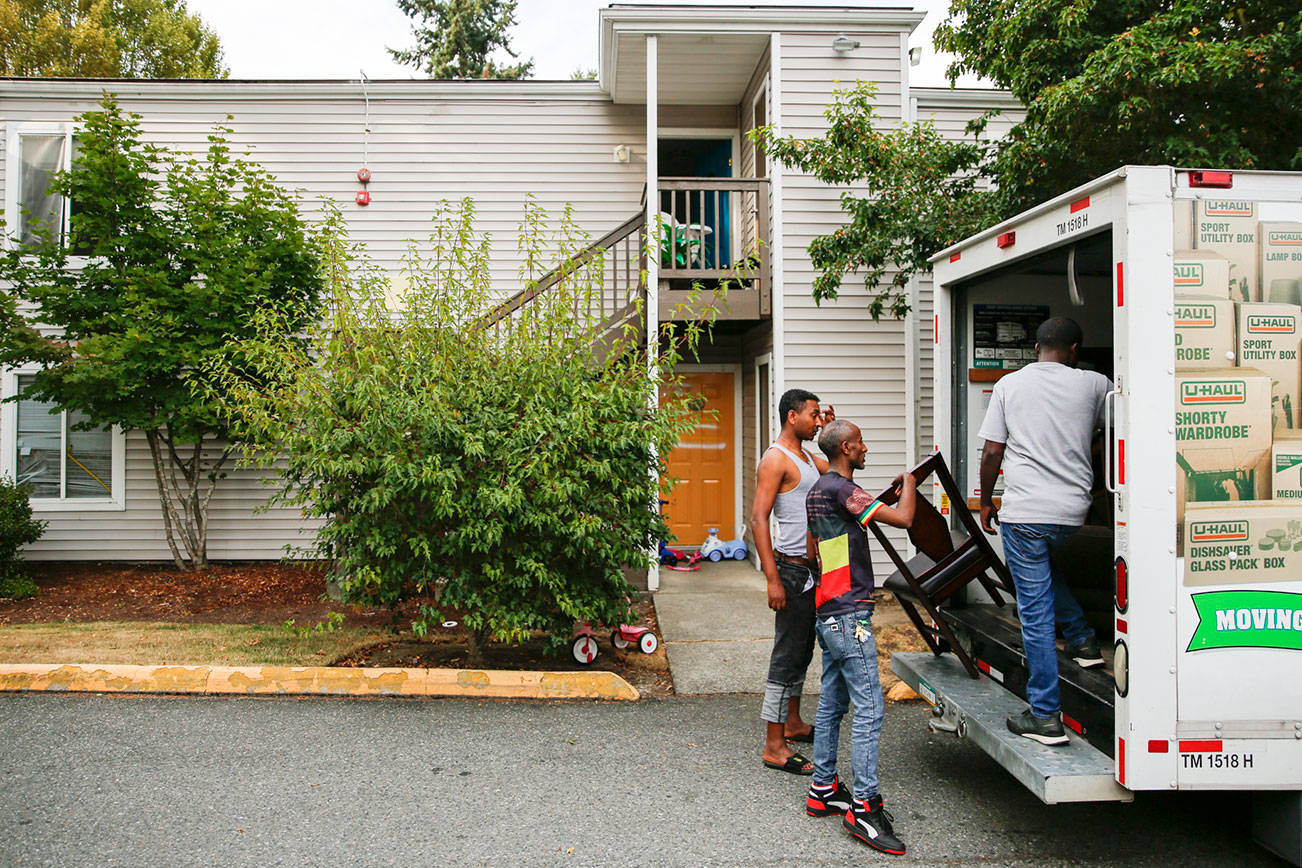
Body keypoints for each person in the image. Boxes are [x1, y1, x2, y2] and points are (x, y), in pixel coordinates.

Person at [977, 316, 1109, 747]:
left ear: (1036, 347)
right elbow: (1114, 433)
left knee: (1034, 611)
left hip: (1026, 512)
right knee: (1043, 571)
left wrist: (985, 499)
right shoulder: (1095, 384)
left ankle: (1045, 715)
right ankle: (1084, 641)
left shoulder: (1008, 386)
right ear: (1074, 349)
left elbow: (993, 449)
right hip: (1073, 513)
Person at [803, 419, 913, 856]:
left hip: (828, 611)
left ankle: (824, 788)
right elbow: (903, 519)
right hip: (851, 616)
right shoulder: (844, 491)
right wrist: (909, 483)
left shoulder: (818, 491)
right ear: (847, 448)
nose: (866, 448)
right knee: (870, 706)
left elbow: (816, 550)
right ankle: (864, 807)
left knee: (832, 703)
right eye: (862, 443)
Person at [752, 388, 833, 775]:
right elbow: (758, 519)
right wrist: (772, 579)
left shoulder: (806, 457)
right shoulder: (776, 459)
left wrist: (831, 429)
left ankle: (794, 723)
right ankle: (774, 745)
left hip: (811, 570)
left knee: (804, 648)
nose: (817, 421)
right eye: (813, 415)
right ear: (792, 417)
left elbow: (835, 469)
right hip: (790, 569)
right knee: (786, 654)